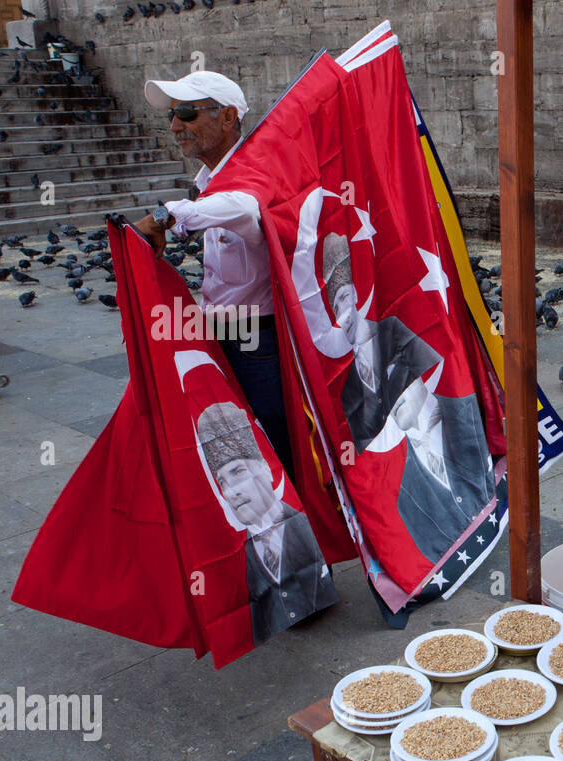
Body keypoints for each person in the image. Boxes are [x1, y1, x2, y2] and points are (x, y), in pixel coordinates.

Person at [133, 71, 293, 474]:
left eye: (186, 113)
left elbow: (244, 206)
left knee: (273, 446)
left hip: (259, 340)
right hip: (223, 334)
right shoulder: (208, 181)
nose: (175, 126)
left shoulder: (252, 175)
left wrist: (165, 216)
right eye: (172, 115)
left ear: (227, 117)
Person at [195, 401, 337, 645]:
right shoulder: (238, 557)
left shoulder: (305, 527)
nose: (231, 492)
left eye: (238, 472)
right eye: (222, 482)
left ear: (265, 468)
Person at [320, 233, 441, 451]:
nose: (342, 315)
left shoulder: (395, 330)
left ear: (357, 294)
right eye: (335, 308)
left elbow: (436, 378)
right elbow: (365, 451)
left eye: (345, 297)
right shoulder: (348, 390)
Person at [382, 371, 495, 564]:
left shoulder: (469, 405)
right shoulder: (402, 494)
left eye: (395, 377)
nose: (389, 395)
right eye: (380, 391)